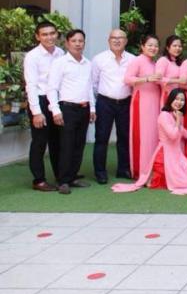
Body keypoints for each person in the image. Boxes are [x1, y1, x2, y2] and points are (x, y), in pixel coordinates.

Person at [112, 89, 187, 195]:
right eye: (177, 99)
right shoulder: (164, 116)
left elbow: (186, 134)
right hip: (165, 154)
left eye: (182, 100)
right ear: (171, 99)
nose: (179, 102)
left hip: (177, 154)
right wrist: (178, 120)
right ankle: (152, 179)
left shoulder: (175, 115)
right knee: (183, 182)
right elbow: (173, 136)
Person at [46, 29, 95, 194]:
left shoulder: (87, 63)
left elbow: (89, 88)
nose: (77, 44)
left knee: (79, 145)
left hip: (84, 108)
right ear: (67, 43)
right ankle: (63, 180)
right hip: (67, 108)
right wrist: (55, 110)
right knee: (66, 145)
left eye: (81, 41)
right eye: (74, 41)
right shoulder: (60, 63)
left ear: (84, 43)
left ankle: (73, 176)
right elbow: (52, 88)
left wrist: (92, 108)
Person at [24, 20, 64, 191]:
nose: (49, 37)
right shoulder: (32, 56)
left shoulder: (60, 53)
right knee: (40, 142)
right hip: (39, 101)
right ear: (38, 37)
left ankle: (60, 176)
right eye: (45, 34)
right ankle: (38, 180)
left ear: (57, 34)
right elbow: (31, 85)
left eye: (52, 33)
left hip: (56, 101)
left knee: (57, 141)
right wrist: (36, 112)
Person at [90, 29, 133, 183]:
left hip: (125, 102)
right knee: (102, 137)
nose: (117, 40)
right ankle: (100, 171)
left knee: (124, 137)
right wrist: (94, 104)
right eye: (113, 38)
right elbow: (93, 84)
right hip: (105, 102)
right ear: (108, 40)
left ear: (126, 41)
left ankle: (123, 169)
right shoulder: (99, 59)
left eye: (121, 38)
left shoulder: (133, 59)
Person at [124, 34, 161, 180]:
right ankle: (140, 170)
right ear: (142, 46)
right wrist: (146, 79)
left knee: (153, 134)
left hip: (155, 100)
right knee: (143, 135)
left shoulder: (155, 63)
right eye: (150, 45)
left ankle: (152, 168)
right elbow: (127, 79)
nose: (153, 48)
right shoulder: (137, 60)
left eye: (156, 46)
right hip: (142, 101)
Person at [155, 35, 187, 128]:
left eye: (180, 46)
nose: (177, 48)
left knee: (178, 121)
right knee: (168, 123)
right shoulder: (163, 60)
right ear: (167, 47)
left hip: (179, 98)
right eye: (174, 46)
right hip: (167, 96)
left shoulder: (179, 62)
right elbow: (158, 79)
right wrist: (177, 80)